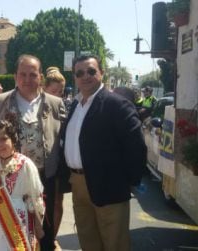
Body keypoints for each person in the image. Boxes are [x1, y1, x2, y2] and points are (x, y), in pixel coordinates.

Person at [58, 54, 146, 251]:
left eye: (91, 71)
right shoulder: (75, 105)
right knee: (88, 240)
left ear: (102, 72)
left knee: (114, 243)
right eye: (79, 73)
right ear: (74, 77)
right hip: (78, 184)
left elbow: (137, 147)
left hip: (109, 184)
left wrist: (128, 181)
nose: (85, 76)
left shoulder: (117, 104)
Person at [0, 54, 66, 251]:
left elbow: (63, 139)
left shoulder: (55, 103)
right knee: (14, 226)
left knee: (45, 228)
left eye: (32, 75)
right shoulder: (0, 101)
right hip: (11, 176)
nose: (27, 79)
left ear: (40, 77)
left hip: (45, 175)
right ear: (15, 76)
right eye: (22, 74)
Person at [0, 120, 45, 250]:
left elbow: (35, 198)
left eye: (3, 139)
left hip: (15, 222)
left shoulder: (25, 164)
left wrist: (38, 227)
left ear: (13, 138)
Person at [43, 66, 68, 251]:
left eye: (61, 91)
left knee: (58, 201)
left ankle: (53, 237)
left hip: (61, 160)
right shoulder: (39, 104)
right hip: (45, 161)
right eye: (54, 91)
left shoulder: (63, 105)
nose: (59, 95)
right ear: (45, 88)